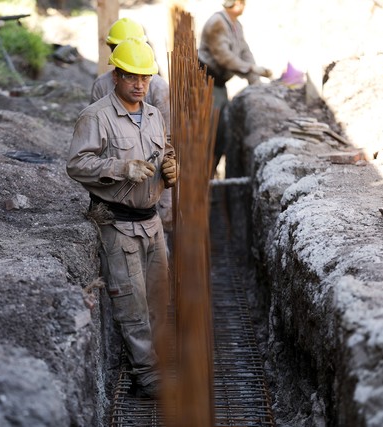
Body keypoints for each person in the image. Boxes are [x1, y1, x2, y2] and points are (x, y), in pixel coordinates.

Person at [66, 38, 177, 399]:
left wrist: (171, 170)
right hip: (119, 223)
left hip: (152, 222)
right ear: (116, 75)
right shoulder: (96, 116)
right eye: (131, 76)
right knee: (132, 304)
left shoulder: (155, 115)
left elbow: (165, 152)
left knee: (158, 298)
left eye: (145, 77)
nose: (139, 84)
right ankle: (146, 377)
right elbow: (77, 164)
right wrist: (119, 167)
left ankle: (155, 364)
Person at [91, 18, 173, 240]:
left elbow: (169, 140)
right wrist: (120, 168)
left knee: (161, 224)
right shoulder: (102, 85)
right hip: (115, 183)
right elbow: (94, 146)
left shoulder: (157, 88)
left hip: (153, 179)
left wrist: (169, 168)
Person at [198, 0, 272, 174]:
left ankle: (211, 171)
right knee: (209, 131)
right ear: (236, 4)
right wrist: (252, 69)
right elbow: (225, 58)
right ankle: (204, 174)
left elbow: (245, 52)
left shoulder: (235, 24)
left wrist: (255, 80)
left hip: (218, 85)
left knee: (220, 130)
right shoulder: (217, 23)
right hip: (204, 84)